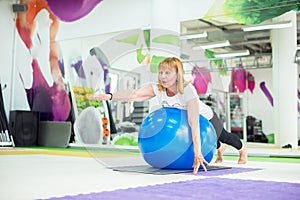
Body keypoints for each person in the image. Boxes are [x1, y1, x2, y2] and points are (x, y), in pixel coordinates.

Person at [90, 57, 247, 174]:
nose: (163, 76)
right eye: (161, 73)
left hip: (204, 118)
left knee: (223, 136)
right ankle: (219, 149)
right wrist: (110, 96)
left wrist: (198, 153)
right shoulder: (158, 88)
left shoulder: (187, 90)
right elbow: (135, 95)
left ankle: (242, 150)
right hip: (181, 125)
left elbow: (194, 122)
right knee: (215, 143)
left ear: (177, 74)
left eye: (167, 72)